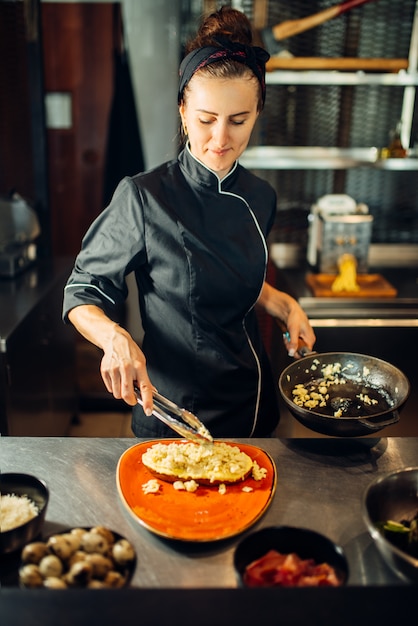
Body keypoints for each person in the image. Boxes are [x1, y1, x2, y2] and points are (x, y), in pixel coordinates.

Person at [63, 6, 316, 439]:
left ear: (257, 114)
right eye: (206, 120)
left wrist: (281, 302)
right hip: (173, 411)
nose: (221, 139)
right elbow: (82, 290)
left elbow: (226, 275)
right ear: (183, 110)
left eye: (239, 121)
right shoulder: (145, 197)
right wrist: (114, 338)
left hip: (254, 405)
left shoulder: (260, 196)